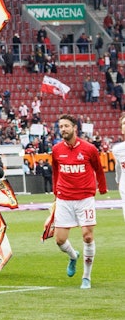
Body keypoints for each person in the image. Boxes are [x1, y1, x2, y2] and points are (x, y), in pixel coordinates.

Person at [51, 113, 106, 289]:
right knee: (59, 240)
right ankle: (73, 256)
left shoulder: (89, 149)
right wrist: (55, 192)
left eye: (66, 126)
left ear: (75, 128)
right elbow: (55, 172)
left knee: (87, 236)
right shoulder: (56, 150)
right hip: (64, 199)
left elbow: (99, 169)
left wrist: (102, 187)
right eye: (61, 126)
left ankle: (86, 277)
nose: (63, 129)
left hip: (85, 198)